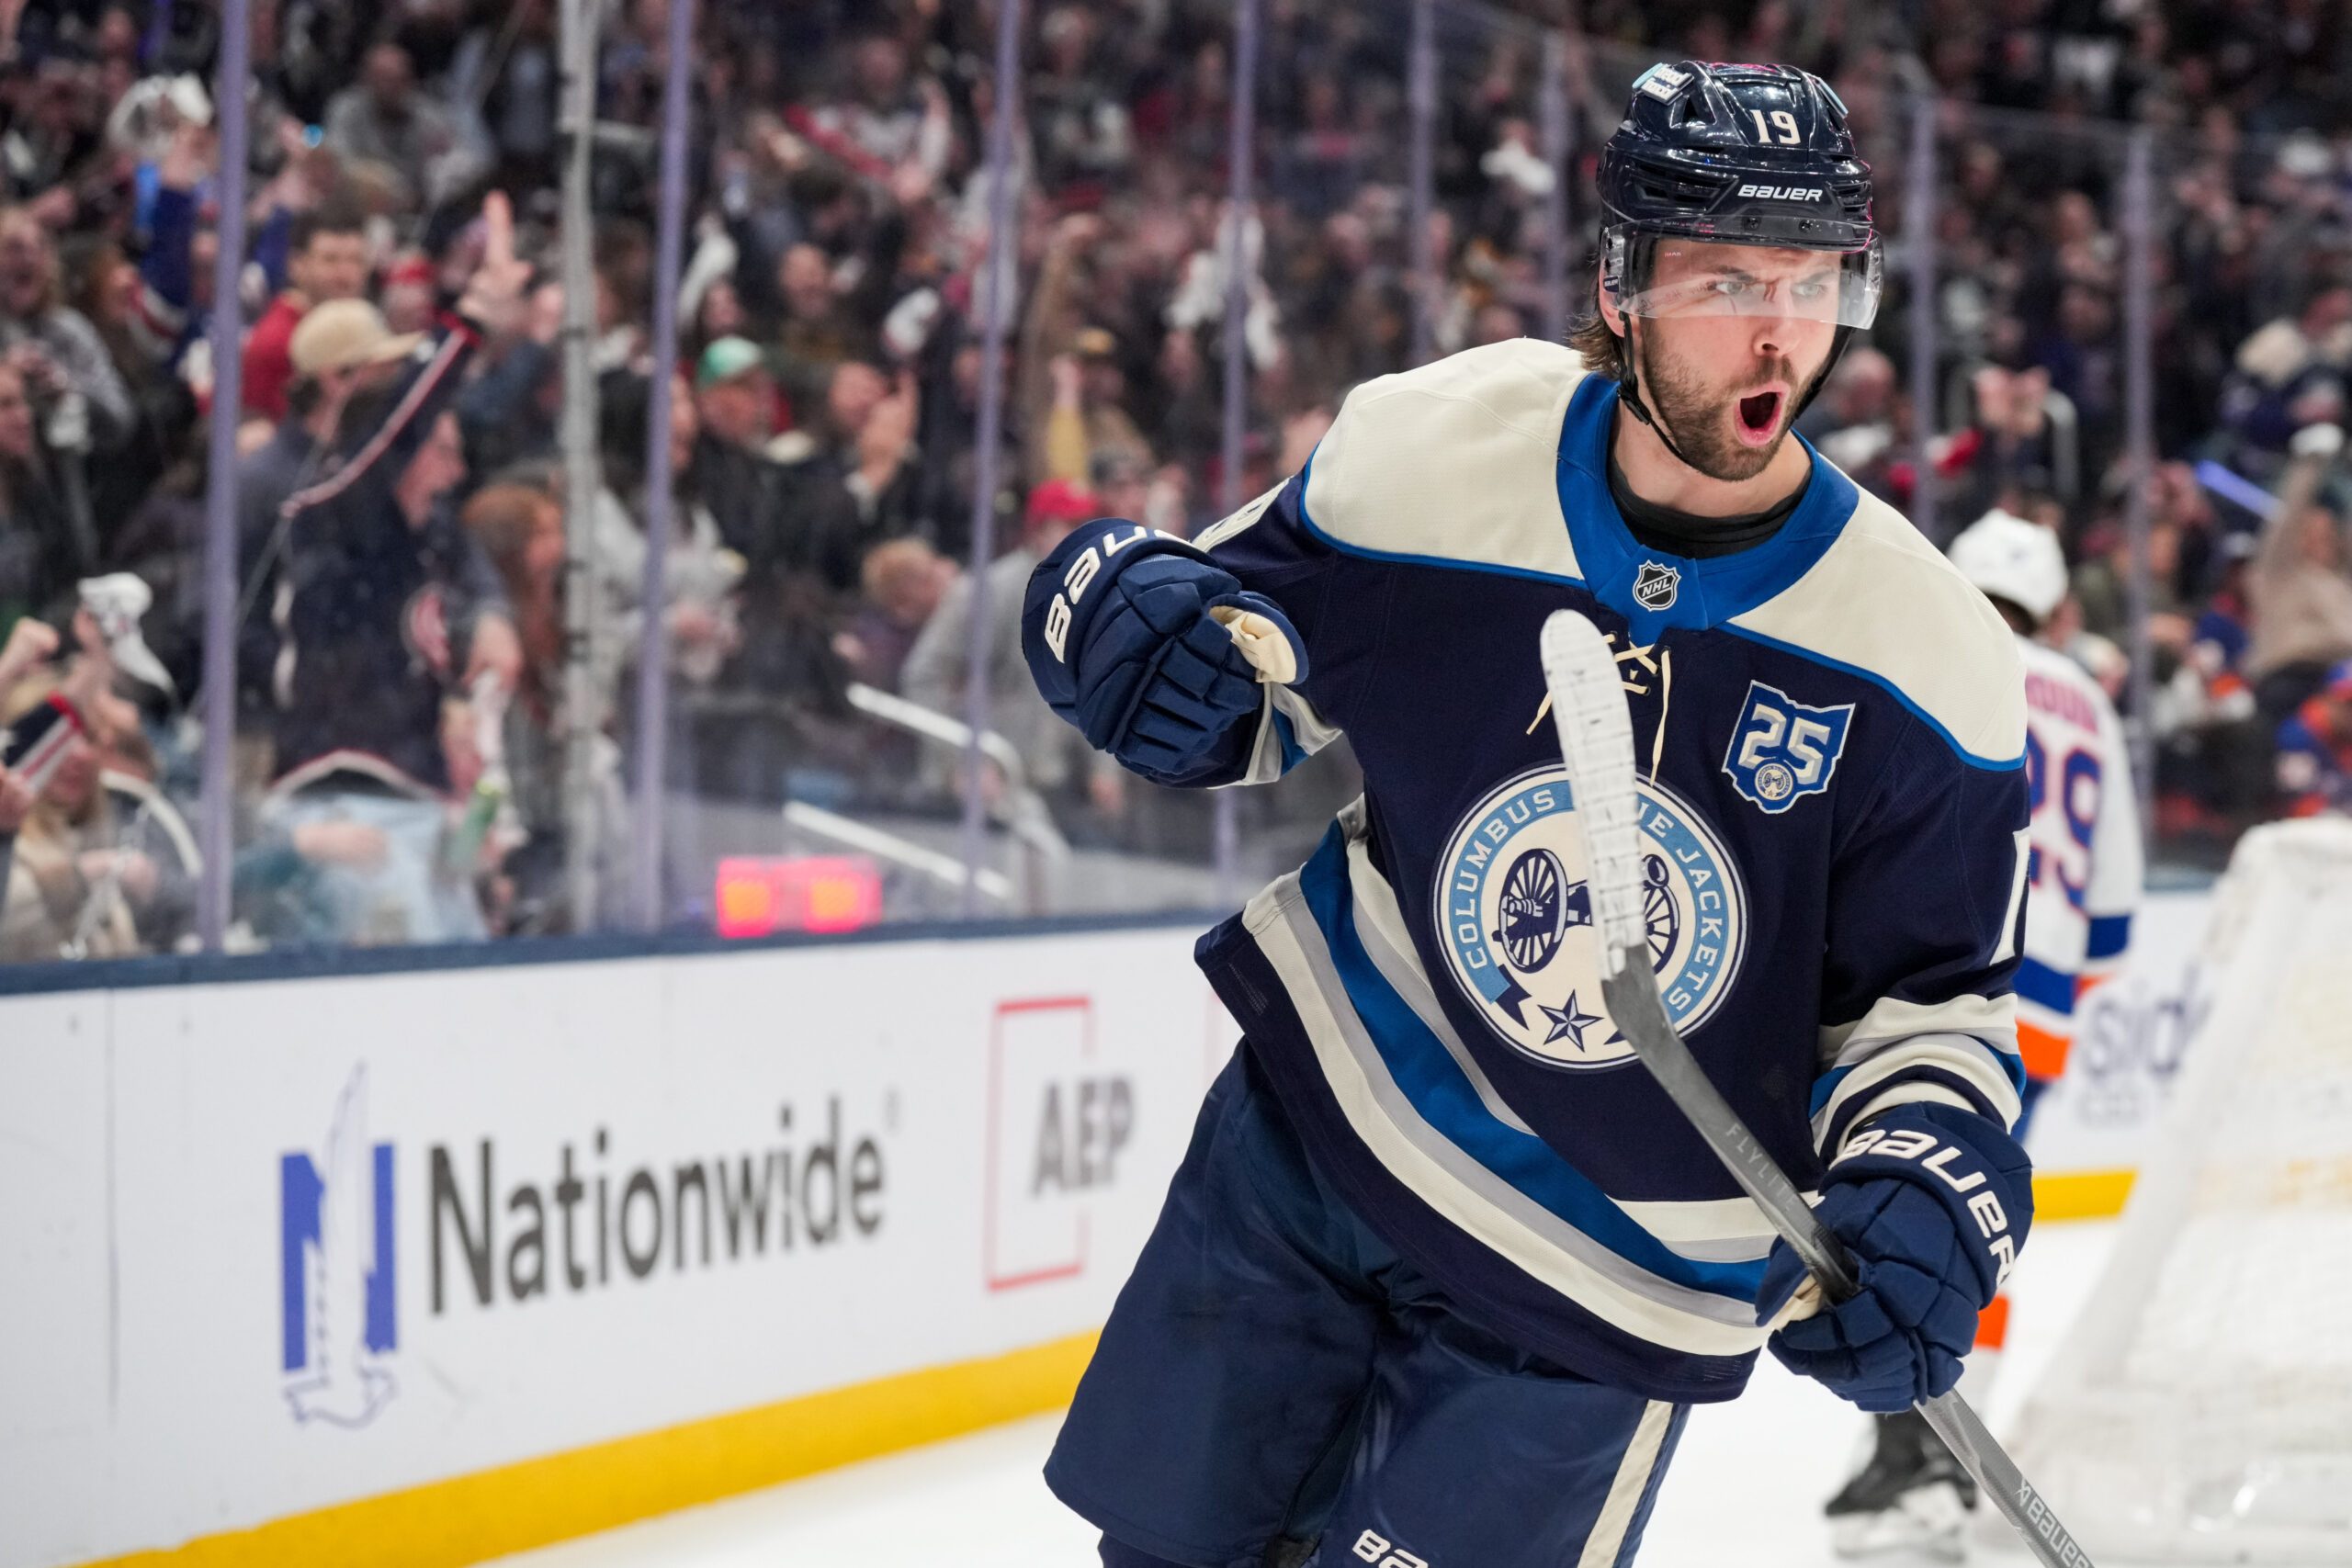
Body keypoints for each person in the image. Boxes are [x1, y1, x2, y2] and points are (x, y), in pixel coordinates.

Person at [1023, 63, 2037, 1568]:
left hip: (1605, 1275)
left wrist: (1930, 1190)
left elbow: (1931, 1012)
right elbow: (1233, 681)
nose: (1780, 332)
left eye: (1815, 282)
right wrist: (1107, 619)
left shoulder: (1929, 652)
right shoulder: (1438, 452)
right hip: (1314, 1140)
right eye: (1725, 280)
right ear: (1621, 284)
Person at [1818, 510, 2142, 1557]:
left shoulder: (1936, 652)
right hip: (2036, 1000)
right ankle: (1923, 1436)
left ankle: (1925, 1441)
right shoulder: (2089, 696)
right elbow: (2116, 909)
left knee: (1901, 1193)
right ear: (2052, 603)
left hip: (1941, 978)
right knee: (1970, 1207)